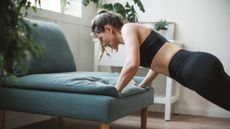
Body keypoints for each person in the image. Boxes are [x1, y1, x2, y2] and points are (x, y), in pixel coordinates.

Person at [91, 10, 230, 111]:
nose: (104, 44)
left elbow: (131, 64)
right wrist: (142, 85)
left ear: (108, 28)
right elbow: (155, 64)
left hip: (194, 70)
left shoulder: (128, 28)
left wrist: (116, 90)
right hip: (200, 64)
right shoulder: (133, 33)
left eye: (102, 38)